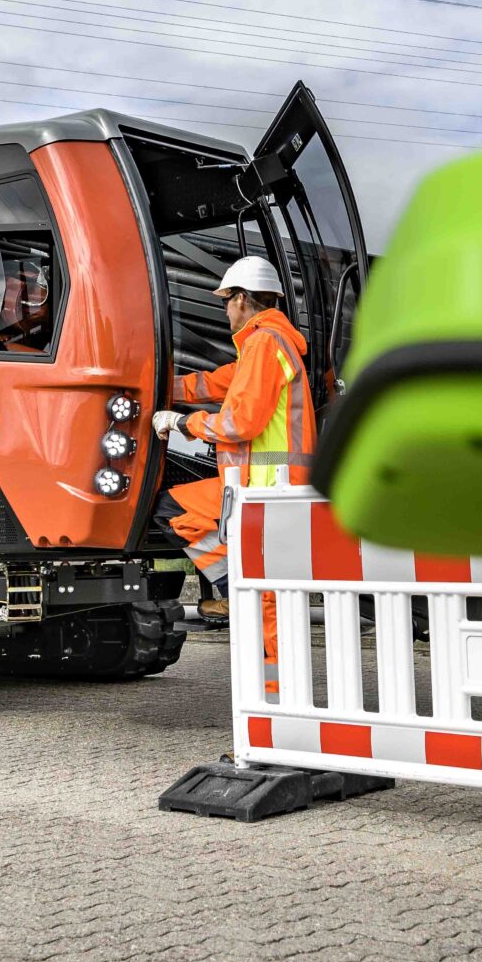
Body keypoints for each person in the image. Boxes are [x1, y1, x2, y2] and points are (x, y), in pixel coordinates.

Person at [152, 255, 316, 700]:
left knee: (267, 600)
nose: (225, 309)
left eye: (226, 300)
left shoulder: (264, 344)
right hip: (269, 487)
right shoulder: (266, 344)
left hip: (269, 490)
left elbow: (240, 422)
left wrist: (181, 423)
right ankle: (274, 691)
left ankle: (278, 702)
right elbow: (211, 384)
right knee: (177, 512)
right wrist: (154, 384)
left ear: (242, 299)